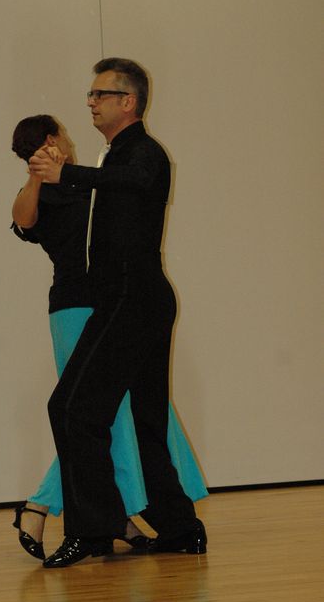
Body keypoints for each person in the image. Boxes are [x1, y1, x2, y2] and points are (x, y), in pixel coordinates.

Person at [29, 58, 207, 568]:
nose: (90, 102)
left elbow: (132, 181)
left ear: (128, 101)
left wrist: (67, 173)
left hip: (133, 299)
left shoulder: (144, 153)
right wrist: (49, 177)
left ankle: (93, 530)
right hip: (132, 300)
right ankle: (181, 529)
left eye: (100, 94)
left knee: (72, 407)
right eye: (90, 94)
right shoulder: (114, 157)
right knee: (145, 420)